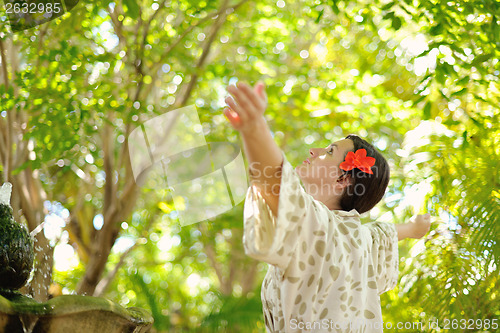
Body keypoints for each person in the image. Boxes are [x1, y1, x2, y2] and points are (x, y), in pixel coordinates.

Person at [223, 81, 431, 332]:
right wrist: (414, 228)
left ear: (343, 179)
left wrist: (255, 128)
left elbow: (277, 183)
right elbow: (385, 231)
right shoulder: (360, 238)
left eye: (329, 151)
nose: (313, 150)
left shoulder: (319, 226)